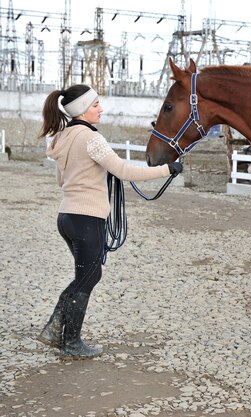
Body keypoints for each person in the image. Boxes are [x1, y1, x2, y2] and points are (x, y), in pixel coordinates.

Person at [37, 84, 183, 360]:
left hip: (67, 216)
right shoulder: (92, 139)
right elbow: (123, 170)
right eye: (94, 105)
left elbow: (61, 180)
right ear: (81, 110)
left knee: (87, 275)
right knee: (89, 276)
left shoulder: (63, 137)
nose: (100, 109)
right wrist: (167, 169)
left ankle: (57, 331)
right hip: (87, 217)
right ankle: (68, 339)